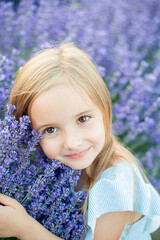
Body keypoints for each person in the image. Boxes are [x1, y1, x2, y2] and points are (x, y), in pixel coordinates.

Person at [0, 42, 160, 240]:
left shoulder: (116, 183)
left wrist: (24, 228)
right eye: (50, 129)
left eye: (82, 119)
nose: (72, 142)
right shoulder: (56, 165)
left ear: (104, 111)